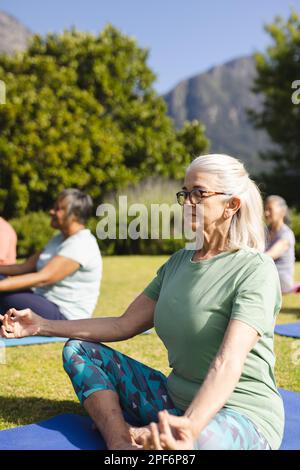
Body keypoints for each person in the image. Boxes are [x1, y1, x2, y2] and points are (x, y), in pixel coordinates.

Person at [0, 155, 284, 450]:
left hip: (239, 414)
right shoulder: (178, 264)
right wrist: (41, 325)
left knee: (202, 443)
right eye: (185, 193)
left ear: (231, 205)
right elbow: (122, 324)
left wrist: (190, 427)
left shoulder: (255, 269)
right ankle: (121, 442)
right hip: (174, 403)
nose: (187, 202)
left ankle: (162, 437)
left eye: (199, 193)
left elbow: (228, 361)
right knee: (79, 350)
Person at [0, 188, 102, 320]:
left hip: (64, 314)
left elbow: (43, 278)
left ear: (75, 215)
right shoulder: (59, 238)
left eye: (58, 209)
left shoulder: (81, 244)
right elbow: (23, 267)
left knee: (7, 296)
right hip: (41, 299)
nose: (51, 211)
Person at [264, 195, 300, 294]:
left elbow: (269, 255)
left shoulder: (286, 234)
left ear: (282, 212)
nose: (266, 213)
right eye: (265, 209)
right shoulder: (264, 231)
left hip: (280, 280)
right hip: (266, 276)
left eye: (270, 209)